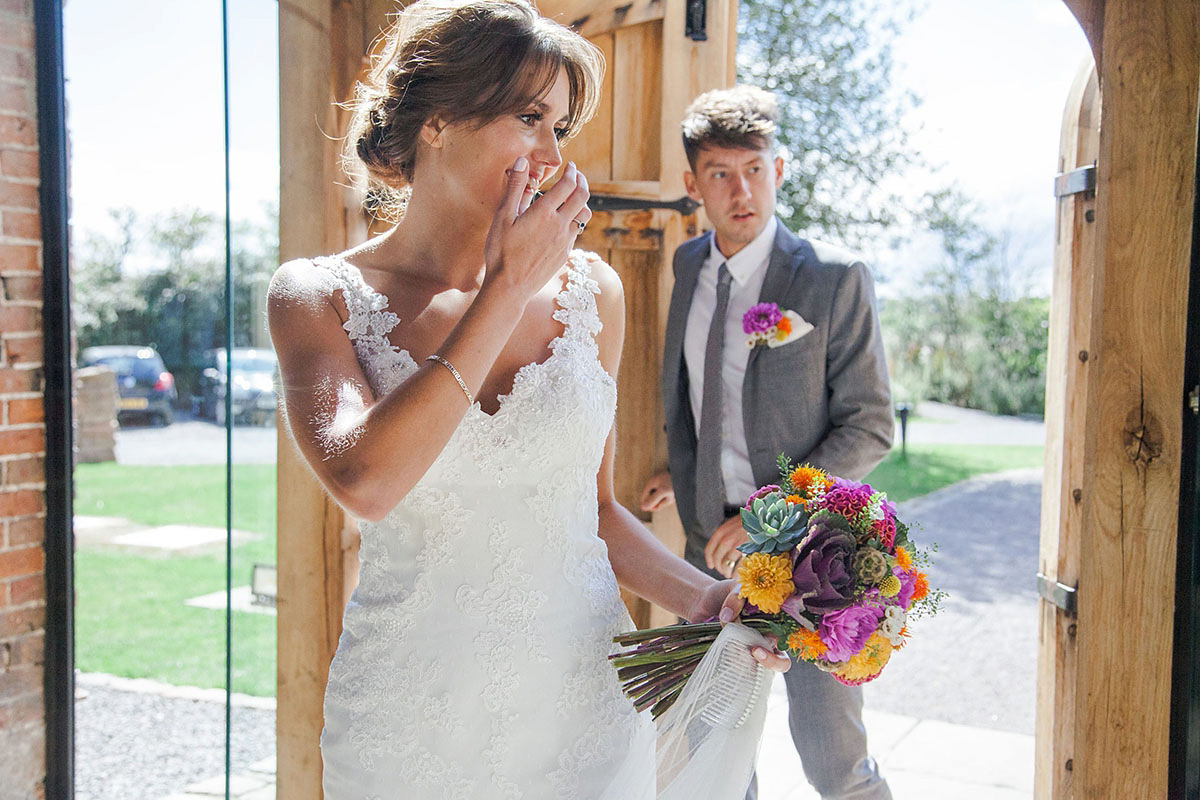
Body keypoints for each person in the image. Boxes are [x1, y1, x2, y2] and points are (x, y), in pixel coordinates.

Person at [267, 3, 787, 798]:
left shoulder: (594, 293)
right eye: (529, 117)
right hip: (411, 723)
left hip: (582, 712)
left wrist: (707, 598)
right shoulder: (318, 294)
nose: (551, 154)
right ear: (439, 119)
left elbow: (595, 511)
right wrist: (505, 288)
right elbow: (366, 481)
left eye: (561, 129)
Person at [640, 85, 895, 800]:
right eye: (719, 173)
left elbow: (871, 424)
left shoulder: (833, 278)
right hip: (708, 553)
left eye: (753, 168)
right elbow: (698, 394)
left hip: (816, 558)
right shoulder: (687, 266)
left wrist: (764, 515)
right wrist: (680, 472)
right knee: (714, 754)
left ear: (778, 171)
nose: (740, 189)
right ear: (694, 187)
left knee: (834, 760)